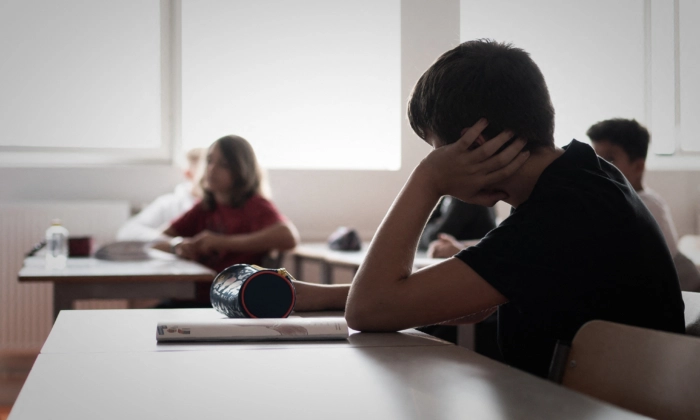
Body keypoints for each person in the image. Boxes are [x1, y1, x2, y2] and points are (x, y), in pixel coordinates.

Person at [292, 39, 685, 378]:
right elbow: (472, 303)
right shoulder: (574, 178)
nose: (437, 163)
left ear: (474, 144)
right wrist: (321, 296)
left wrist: (427, 180)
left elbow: (369, 310)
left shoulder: (567, 209)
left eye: (436, 150)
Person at [153, 135, 299, 304]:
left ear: (241, 170)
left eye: (224, 165)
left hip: (228, 303)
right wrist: (177, 245)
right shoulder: (205, 207)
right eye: (209, 161)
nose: (212, 169)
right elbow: (156, 241)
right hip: (191, 295)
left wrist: (222, 242)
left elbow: (289, 237)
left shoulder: (255, 206)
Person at [587, 118, 700, 292]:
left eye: (609, 160)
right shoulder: (620, 198)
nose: (599, 168)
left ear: (638, 166)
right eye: (595, 158)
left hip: (681, 281)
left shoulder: (645, 205)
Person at [117, 148, 206, 242]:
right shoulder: (168, 204)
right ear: (188, 173)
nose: (212, 173)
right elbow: (126, 232)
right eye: (206, 167)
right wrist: (172, 243)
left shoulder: (219, 205)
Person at [418, 196, 496, 256]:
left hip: (480, 263)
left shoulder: (466, 197)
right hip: (471, 256)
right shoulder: (445, 197)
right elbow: (420, 229)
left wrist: (436, 223)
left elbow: (433, 237)